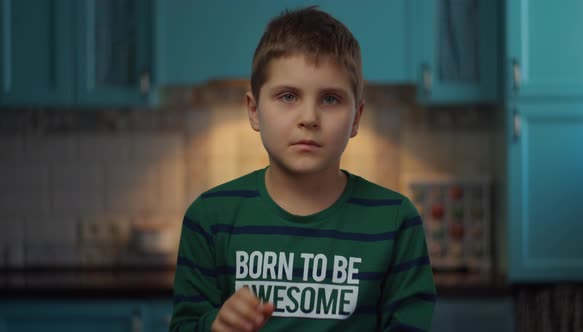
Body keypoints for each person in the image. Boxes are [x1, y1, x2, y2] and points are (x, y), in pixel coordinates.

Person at [170, 6, 436, 332]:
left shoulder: (396, 222)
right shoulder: (209, 218)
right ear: (254, 110)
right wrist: (216, 327)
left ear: (356, 118)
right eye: (288, 96)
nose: (309, 117)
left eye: (330, 99)